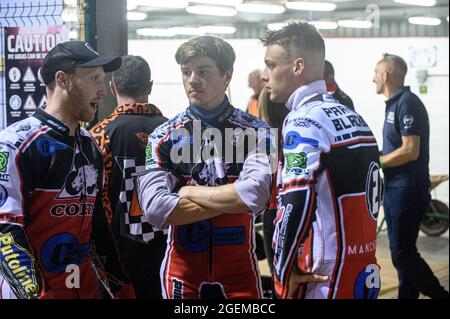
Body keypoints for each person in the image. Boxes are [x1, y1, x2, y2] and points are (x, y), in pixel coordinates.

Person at [134, 35, 273, 299]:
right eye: (186, 72)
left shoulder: (260, 132)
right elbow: (154, 210)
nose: (192, 79)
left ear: (227, 76)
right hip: (182, 273)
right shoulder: (161, 136)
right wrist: (233, 198)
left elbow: (256, 195)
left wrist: (187, 193)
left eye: (203, 71)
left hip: (240, 274)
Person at [0, 41, 135, 298]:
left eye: (103, 80)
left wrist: (120, 285)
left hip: (82, 288)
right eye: (94, 78)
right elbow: (5, 230)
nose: (102, 90)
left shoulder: (90, 146)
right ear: (62, 79)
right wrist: (36, 294)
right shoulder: (15, 143)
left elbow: (96, 225)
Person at [261, 21, 382, 299]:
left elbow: (296, 199)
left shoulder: (302, 120)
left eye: (271, 65)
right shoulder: (352, 115)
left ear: (298, 67)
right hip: (363, 266)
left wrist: (283, 269)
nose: (265, 76)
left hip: (326, 275)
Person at [89, 55, 168, 298]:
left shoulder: (97, 136)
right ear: (151, 87)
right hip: (169, 259)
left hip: (118, 265)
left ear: (112, 88)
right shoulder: (175, 131)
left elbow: (93, 205)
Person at [374, 53, 449, 299]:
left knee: (402, 253)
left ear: (386, 75)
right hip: (397, 187)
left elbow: (410, 150)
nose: (372, 78)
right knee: (404, 251)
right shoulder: (394, 104)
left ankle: (440, 295)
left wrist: (378, 161)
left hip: (407, 188)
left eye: (376, 73)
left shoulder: (407, 102)